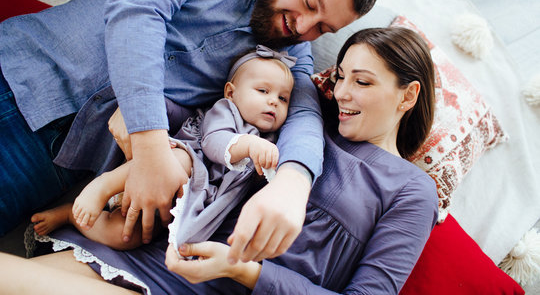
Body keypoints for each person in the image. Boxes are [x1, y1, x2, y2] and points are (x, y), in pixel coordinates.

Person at [0, 0, 381, 262]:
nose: (302, 27)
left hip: (56, 159)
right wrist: (150, 144)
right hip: (24, 69)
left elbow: (304, 117)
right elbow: (139, 3)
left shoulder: (289, 54)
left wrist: (293, 185)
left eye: (322, 28)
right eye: (309, 4)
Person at [0, 26, 439, 294]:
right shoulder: (303, 119)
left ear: (409, 94)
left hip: (210, 285)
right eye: (340, 76)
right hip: (148, 249)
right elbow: (214, 121)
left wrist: (245, 272)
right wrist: (142, 112)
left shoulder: (412, 191)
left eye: (361, 82)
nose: (341, 92)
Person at [29, 46, 296, 251]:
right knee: (178, 161)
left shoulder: (270, 138)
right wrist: (249, 146)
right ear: (230, 92)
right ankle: (104, 186)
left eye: (283, 98)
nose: (273, 102)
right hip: (180, 161)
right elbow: (214, 144)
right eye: (263, 91)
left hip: (189, 198)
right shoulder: (225, 111)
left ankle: (72, 216)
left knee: (127, 237)